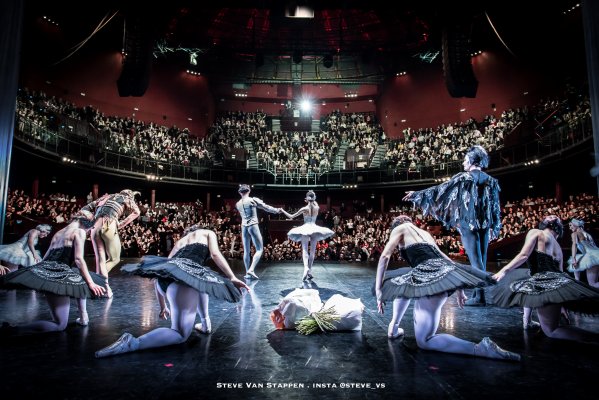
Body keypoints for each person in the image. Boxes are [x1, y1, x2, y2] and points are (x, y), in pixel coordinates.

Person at [374, 215, 519, 361]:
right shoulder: (425, 234)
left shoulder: (400, 228)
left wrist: (379, 290)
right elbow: (447, 260)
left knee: (425, 341)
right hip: (444, 273)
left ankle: (479, 349)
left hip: (431, 278)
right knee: (402, 281)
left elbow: (385, 257)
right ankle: (394, 327)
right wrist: (459, 288)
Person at [95, 225, 250, 358]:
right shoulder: (208, 232)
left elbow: (163, 271)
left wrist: (163, 306)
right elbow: (215, 254)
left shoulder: (180, 242)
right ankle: (134, 343)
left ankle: (205, 324)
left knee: (203, 281)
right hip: (182, 281)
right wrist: (232, 277)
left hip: (165, 283)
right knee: (180, 334)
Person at [403, 145, 500, 306]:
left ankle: (480, 296)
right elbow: (495, 206)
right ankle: (479, 294)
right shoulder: (491, 180)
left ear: (472, 160)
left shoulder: (464, 177)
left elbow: (440, 189)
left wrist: (417, 195)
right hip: (485, 223)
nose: (463, 163)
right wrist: (494, 225)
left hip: (469, 223)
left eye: (465, 160)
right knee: (481, 258)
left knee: (475, 260)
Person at [491, 216, 599, 342]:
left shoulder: (537, 232)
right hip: (554, 284)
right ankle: (527, 321)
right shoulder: (558, 247)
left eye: (554, 217)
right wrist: (561, 304)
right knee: (528, 284)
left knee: (550, 330)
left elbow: (524, 255)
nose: (551, 216)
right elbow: (560, 274)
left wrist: (504, 271)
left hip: (546, 284)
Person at [1, 214, 107, 332]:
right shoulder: (79, 232)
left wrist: (39, 275)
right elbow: (78, 260)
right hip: (58, 274)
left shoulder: (59, 233)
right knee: (60, 325)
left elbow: (46, 257)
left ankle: (84, 317)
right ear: (86, 224)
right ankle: (13, 329)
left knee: (79, 278)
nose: (88, 232)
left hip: (50, 270)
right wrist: (91, 283)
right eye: (89, 229)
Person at [81, 189, 141, 296]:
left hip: (94, 228)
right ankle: (98, 281)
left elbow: (84, 209)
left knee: (100, 260)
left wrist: (91, 221)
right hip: (109, 225)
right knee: (114, 259)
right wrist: (121, 224)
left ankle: (101, 287)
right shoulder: (127, 198)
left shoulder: (106, 197)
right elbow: (137, 212)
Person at [282, 190, 334, 281]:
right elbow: (314, 201)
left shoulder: (304, 209)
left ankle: (306, 268)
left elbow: (291, 216)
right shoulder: (317, 208)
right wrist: (310, 198)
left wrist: (282, 210)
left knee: (305, 250)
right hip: (314, 228)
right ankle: (309, 271)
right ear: (314, 198)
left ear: (306, 199)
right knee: (312, 251)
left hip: (305, 229)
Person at [235, 184, 282, 280]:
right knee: (260, 249)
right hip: (253, 225)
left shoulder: (237, 204)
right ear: (249, 191)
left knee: (246, 251)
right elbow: (266, 207)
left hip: (244, 227)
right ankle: (251, 269)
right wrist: (277, 210)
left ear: (240, 192)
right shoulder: (253, 200)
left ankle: (247, 273)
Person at [567, 218, 599, 288]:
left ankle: (577, 285)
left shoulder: (575, 234)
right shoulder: (587, 234)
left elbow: (574, 245)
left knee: (592, 284)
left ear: (576, 225)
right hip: (596, 254)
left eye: (571, 225)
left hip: (591, 256)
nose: (570, 228)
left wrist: (574, 259)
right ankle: (577, 284)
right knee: (595, 282)